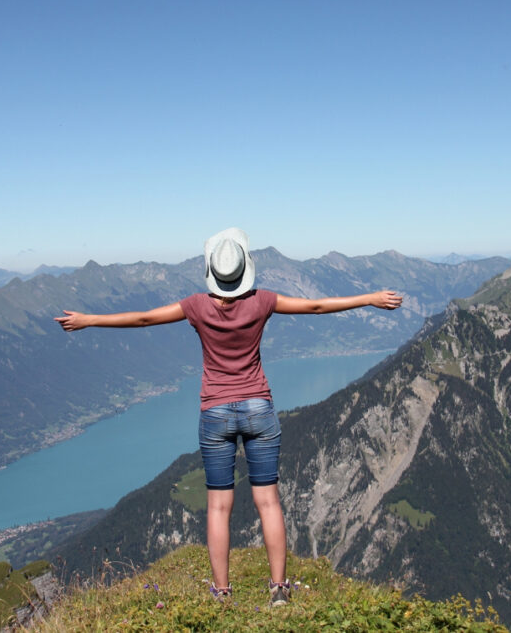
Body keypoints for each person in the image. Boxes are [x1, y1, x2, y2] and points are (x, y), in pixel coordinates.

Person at [55, 227, 402, 606]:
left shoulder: (196, 307)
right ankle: (279, 590)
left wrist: (89, 320)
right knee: (268, 501)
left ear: (212, 272)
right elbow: (315, 306)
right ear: (244, 271)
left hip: (215, 412)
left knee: (219, 506)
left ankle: (222, 593)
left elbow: (143, 320)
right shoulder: (263, 301)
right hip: (258, 408)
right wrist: (371, 298)